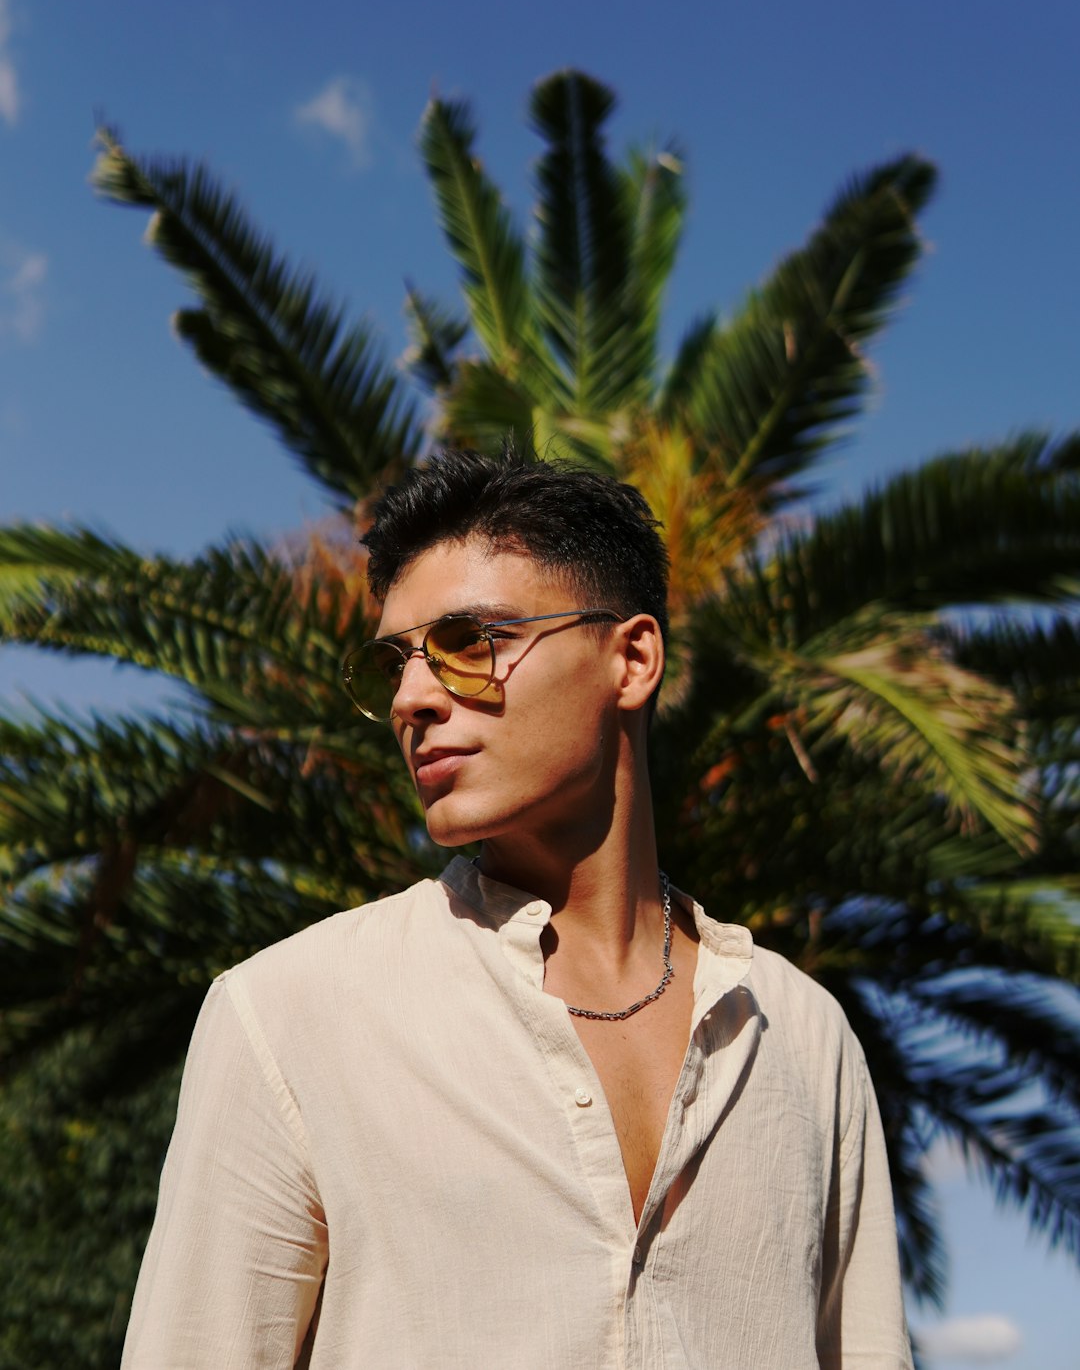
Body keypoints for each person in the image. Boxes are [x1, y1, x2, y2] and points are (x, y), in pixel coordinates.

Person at [122, 450, 914, 1369]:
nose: (415, 697)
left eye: (470, 643)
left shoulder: (801, 1041)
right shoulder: (290, 1015)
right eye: (397, 664)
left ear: (632, 658)